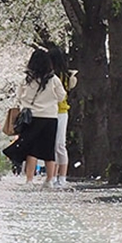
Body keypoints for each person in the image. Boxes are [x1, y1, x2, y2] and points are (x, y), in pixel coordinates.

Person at [13, 49, 67, 186]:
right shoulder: (54, 79)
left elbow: (19, 96)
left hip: (32, 118)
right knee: (49, 150)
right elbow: (62, 96)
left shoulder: (27, 79)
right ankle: (50, 179)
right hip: (50, 117)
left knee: (32, 150)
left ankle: (29, 180)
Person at [46, 43, 78, 187]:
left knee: (58, 145)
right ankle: (54, 177)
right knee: (55, 145)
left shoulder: (64, 76)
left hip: (59, 111)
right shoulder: (54, 76)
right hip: (54, 111)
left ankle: (61, 177)